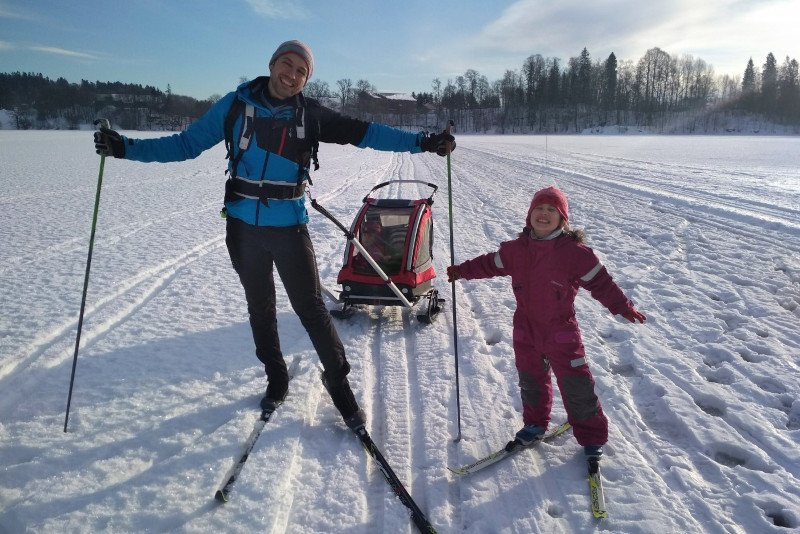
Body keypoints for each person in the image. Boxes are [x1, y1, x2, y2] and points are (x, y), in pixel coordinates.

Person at [93, 39, 455, 433]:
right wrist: (125, 148)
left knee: (312, 310)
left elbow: (366, 133)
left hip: (288, 227)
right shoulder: (236, 105)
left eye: (302, 71)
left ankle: (340, 387)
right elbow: (186, 144)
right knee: (260, 307)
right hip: (243, 228)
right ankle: (276, 378)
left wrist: (423, 141)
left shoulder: (310, 114)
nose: (292, 74)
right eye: (287, 64)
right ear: (272, 64)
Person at [447, 185, 645, 460]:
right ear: (529, 215)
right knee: (531, 381)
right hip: (525, 330)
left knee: (576, 385)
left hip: (561, 332)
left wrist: (622, 306)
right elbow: (489, 263)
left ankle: (591, 437)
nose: (544, 214)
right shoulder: (516, 250)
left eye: (552, 210)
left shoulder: (575, 254)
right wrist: (461, 270)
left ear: (563, 219)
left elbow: (601, 283)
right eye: (539, 208)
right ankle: (534, 424)